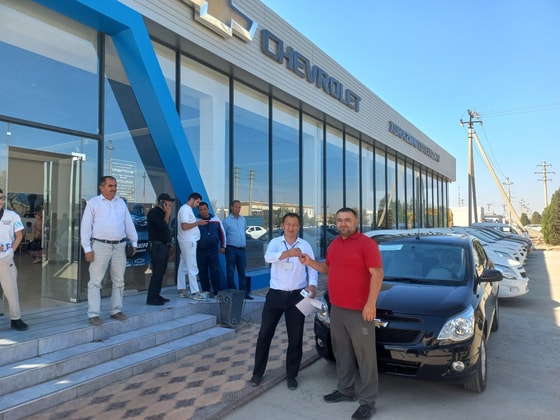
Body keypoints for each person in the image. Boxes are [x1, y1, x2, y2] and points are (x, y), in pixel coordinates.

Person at [300, 208, 383, 420]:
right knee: (342, 352)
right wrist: (310, 262)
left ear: (356, 222)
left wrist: (371, 303)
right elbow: (328, 268)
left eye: (347, 220)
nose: (343, 224)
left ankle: (368, 402)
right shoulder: (334, 244)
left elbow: (377, 273)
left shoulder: (367, 244)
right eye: (339, 220)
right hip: (336, 309)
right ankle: (346, 390)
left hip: (359, 312)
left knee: (365, 358)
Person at [249, 213, 318, 390]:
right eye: (288, 224)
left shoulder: (305, 245)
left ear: (299, 227)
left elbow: (313, 268)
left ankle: (291, 375)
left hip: (297, 296)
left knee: (295, 337)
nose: (291, 228)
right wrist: (286, 254)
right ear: (282, 225)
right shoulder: (275, 242)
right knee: (265, 334)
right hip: (275, 295)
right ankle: (257, 373)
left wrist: (313, 285)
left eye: (294, 224)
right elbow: (268, 257)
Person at [80, 176, 138, 327]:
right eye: (110, 186)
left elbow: (128, 223)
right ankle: (94, 314)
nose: (114, 188)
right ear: (101, 187)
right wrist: (87, 249)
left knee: (119, 280)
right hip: (100, 246)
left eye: (115, 185)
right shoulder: (93, 203)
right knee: (95, 281)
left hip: (120, 246)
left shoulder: (121, 203)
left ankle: (116, 310)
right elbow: (85, 227)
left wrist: (134, 241)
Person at [0, 189, 29, 331]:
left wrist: (11, 251)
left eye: (1, 198)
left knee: (11, 289)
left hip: (5, 258)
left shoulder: (12, 216)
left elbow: (19, 235)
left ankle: (15, 319)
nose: (0, 201)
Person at [176, 192, 208, 301]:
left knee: (183, 265)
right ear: (192, 199)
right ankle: (196, 292)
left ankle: (182, 289)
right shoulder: (186, 209)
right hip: (188, 241)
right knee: (192, 266)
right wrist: (198, 223)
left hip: (186, 240)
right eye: (197, 202)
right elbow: (184, 226)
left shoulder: (185, 209)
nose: (198, 205)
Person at [145, 193, 175, 306]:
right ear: (162, 202)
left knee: (161, 272)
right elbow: (162, 225)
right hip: (157, 246)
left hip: (164, 246)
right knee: (157, 272)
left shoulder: (163, 213)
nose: (170, 204)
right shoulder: (154, 213)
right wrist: (167, 213)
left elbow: (166, 230)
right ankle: (151, 297)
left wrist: (169, 244)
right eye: (168, 202)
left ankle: (156, 294)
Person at [222, 200, 252, 300]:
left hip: (241, 250)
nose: (237, 209)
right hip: (231, 249)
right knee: (230, 272)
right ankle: (233, 293)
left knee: (242, 272)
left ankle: (244, 293)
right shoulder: (226, 221)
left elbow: (243, 231)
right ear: (231, 207)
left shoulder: (243, 219)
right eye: (235, 207)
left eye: (239, 207)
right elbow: (223, 235)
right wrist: (223, 247)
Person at [196, 201, 226, 297]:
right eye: (201, 210)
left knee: (215, 271)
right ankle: (206, 290)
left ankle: (217, 291)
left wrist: (223, 246)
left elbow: (222, 233)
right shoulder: (196, 221)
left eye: (205, 209)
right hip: (200, 251)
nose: (203, 211)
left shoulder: (216, 220)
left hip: (213, 250)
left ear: (208, 209)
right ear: (199, 211)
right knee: (202, 271)